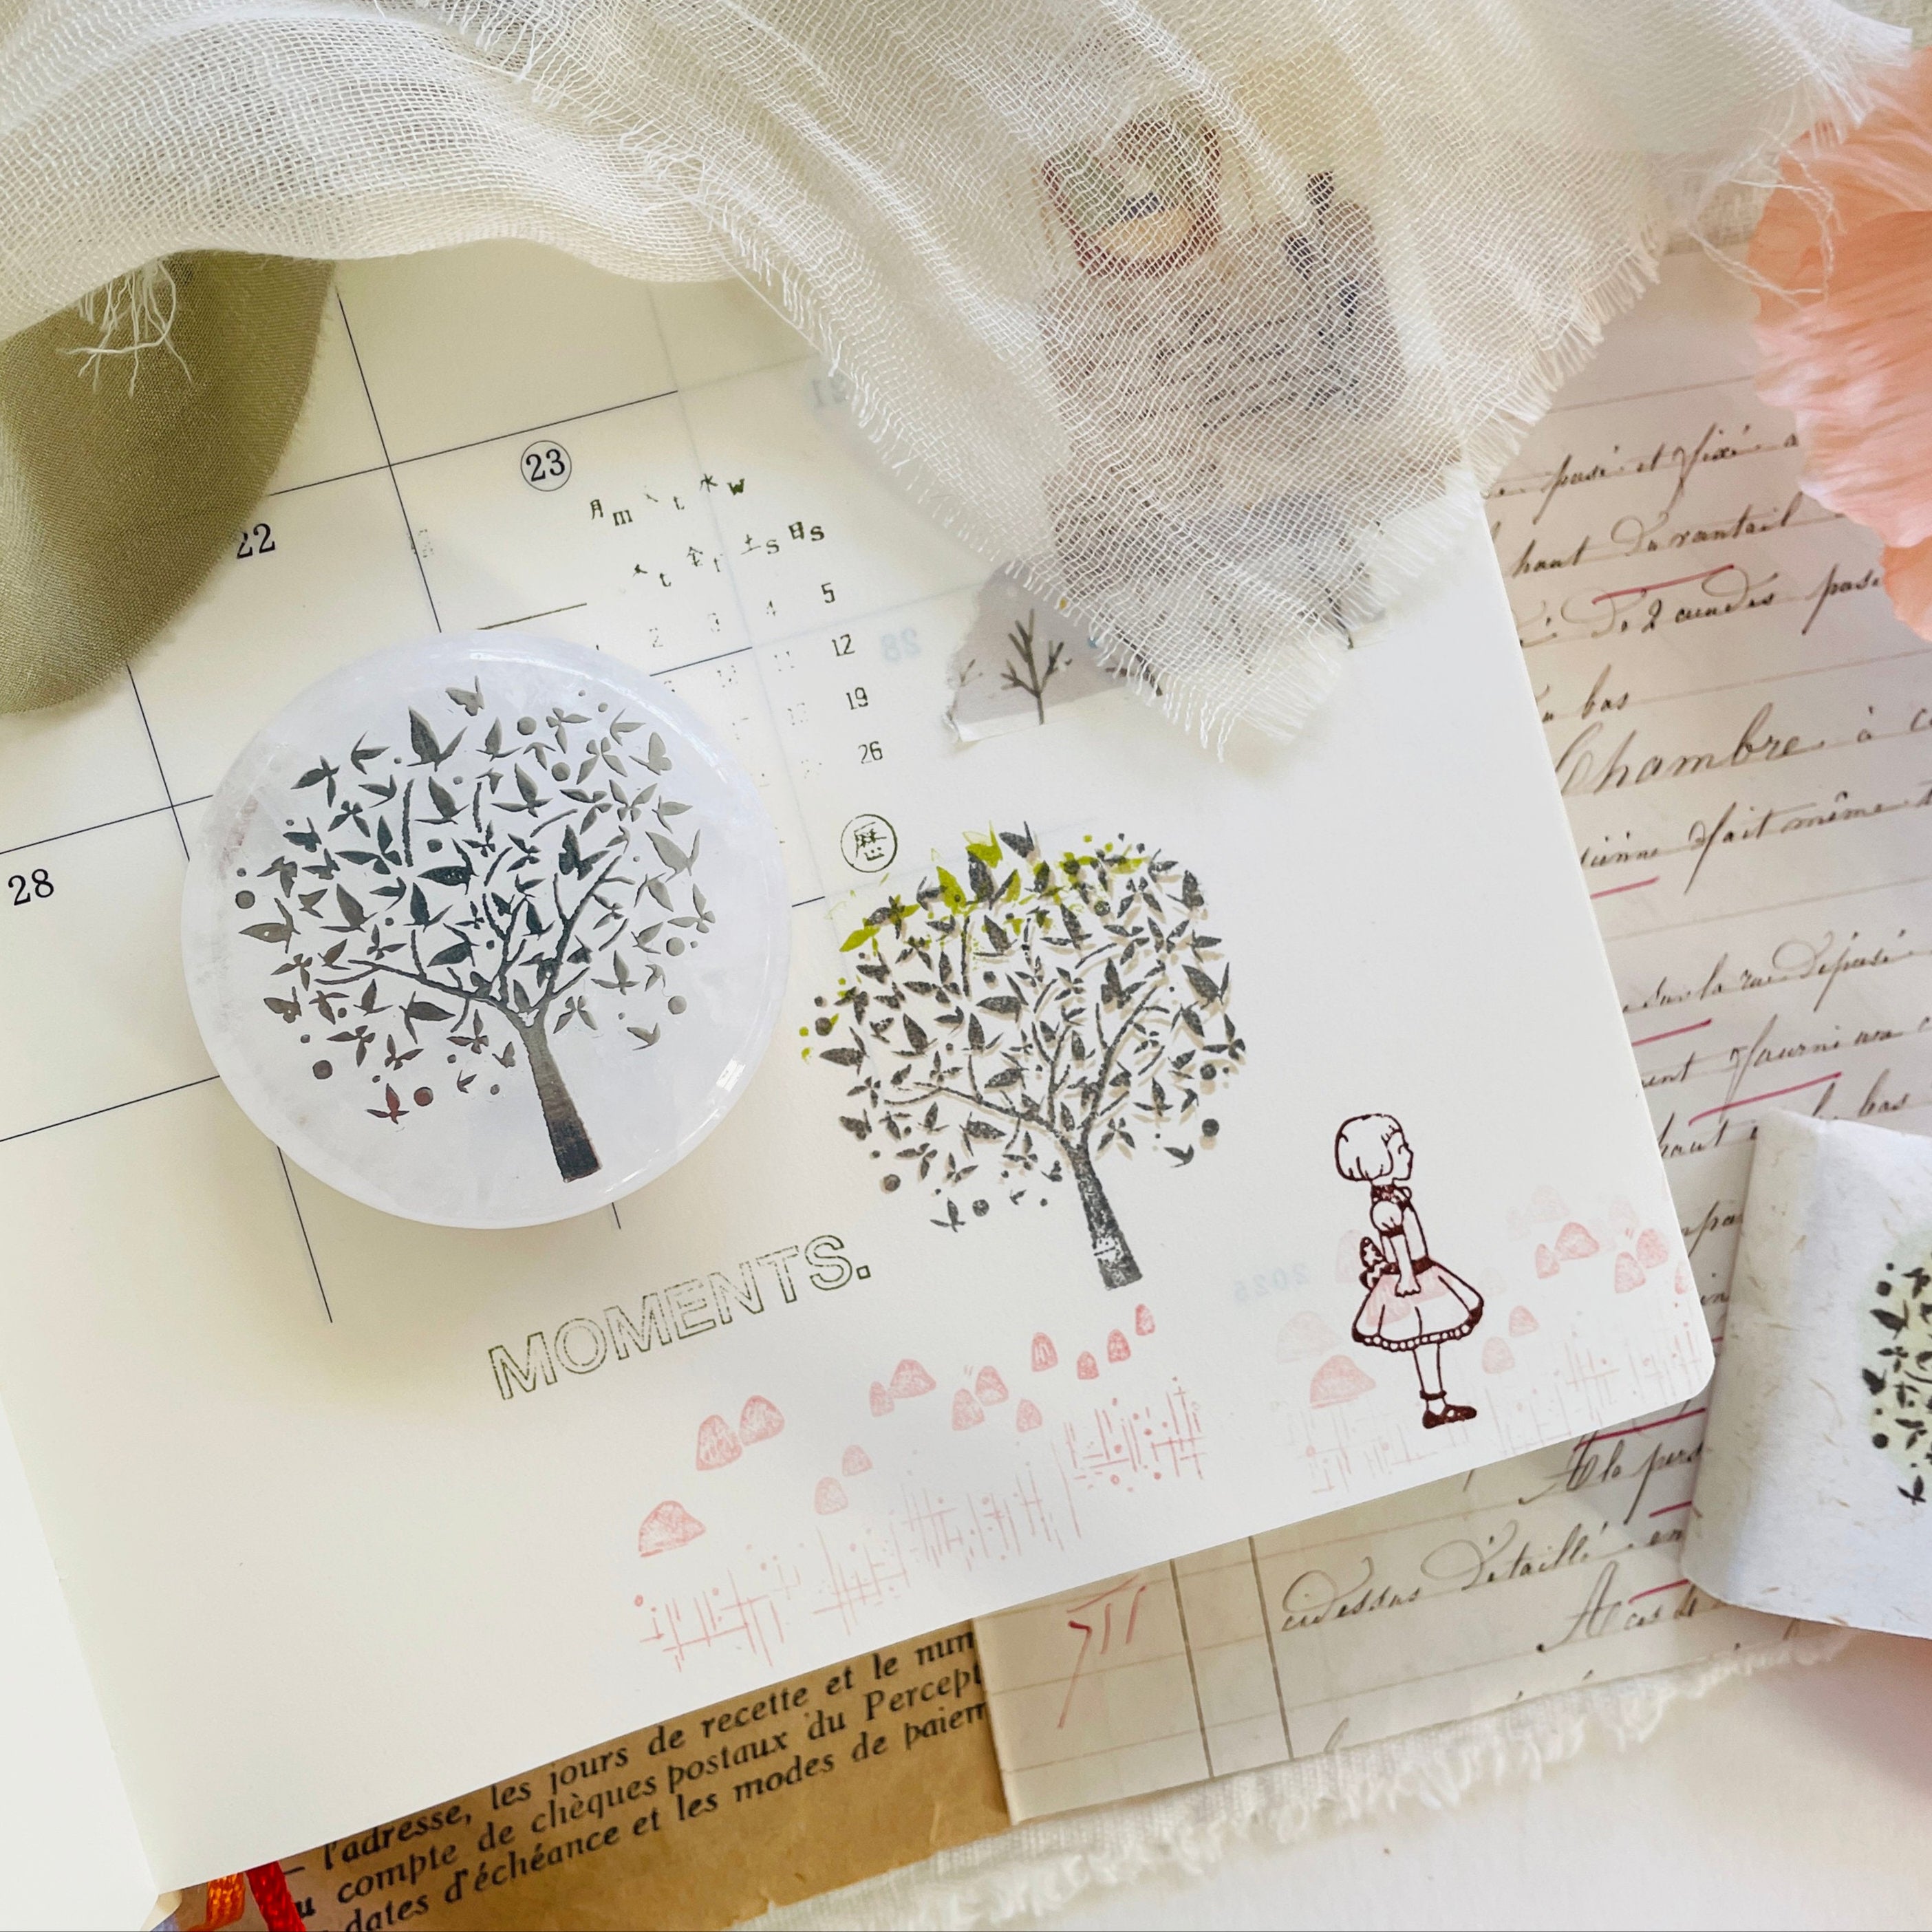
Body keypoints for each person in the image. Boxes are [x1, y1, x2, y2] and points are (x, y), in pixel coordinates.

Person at [1333, 1113, 1483, 1428]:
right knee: (1425, 1340)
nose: (1408, 1153)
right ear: (1378, 1161)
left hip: (1418, 1272)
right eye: (1400, 1149)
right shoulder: (1385, 1206)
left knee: (1428, 1341)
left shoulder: (1393, 1197)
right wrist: (1406, 1277)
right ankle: (1436, 1406)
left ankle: (1436, 1405)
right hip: (1412, 1278)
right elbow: (1398, 1242)